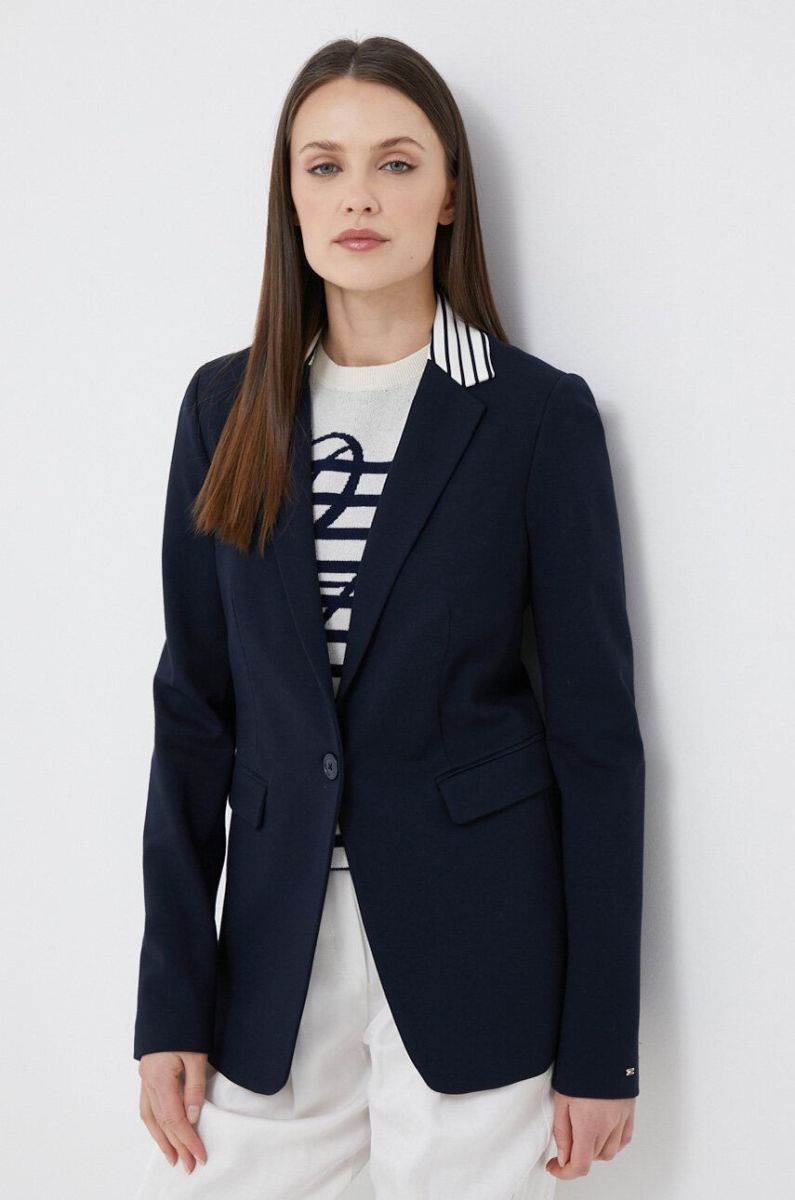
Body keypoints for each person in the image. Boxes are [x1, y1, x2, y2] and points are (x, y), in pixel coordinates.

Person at [133, 34, 645, 1200]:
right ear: (290, 196)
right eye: (324, 165)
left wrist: (600, 1042)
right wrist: (169, 1003)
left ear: (449, 193)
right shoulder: (224, 408)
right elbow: (193, 714)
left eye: (397, 163)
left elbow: (597, 741)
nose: (357, 196)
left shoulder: (533, 416)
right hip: (271, 962)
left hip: (481, 949)